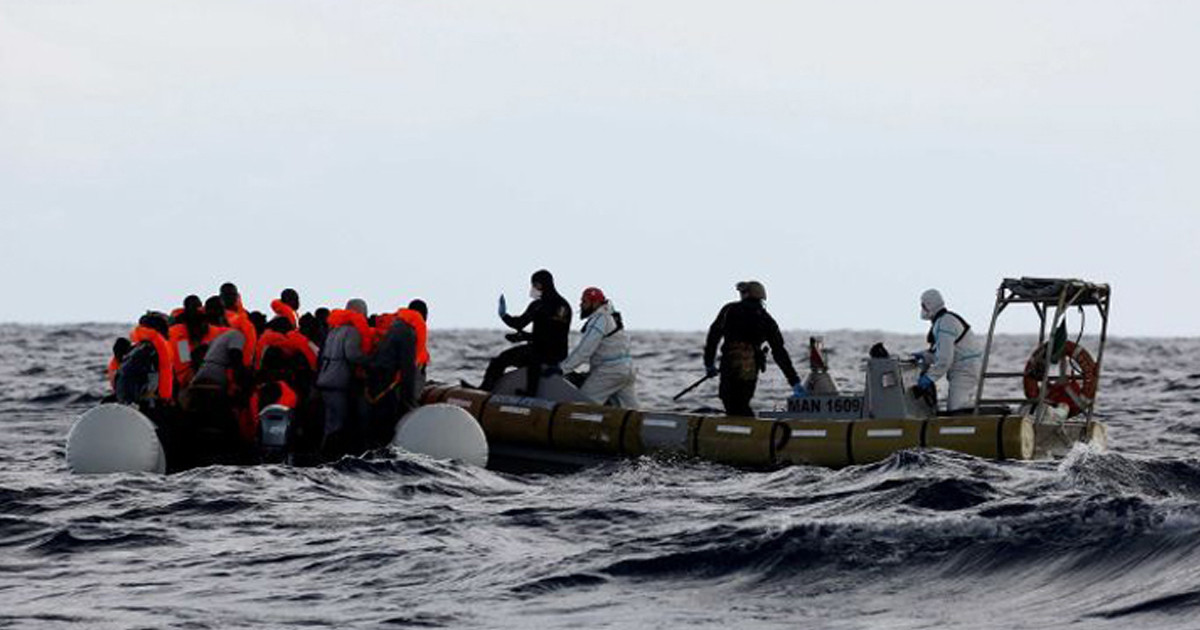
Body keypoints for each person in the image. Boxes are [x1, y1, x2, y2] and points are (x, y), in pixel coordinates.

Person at [703, 281, 805, 417]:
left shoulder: (730, 310)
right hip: (751, 368)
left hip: (731, 364)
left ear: (747, 294)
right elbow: (779, 352)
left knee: (730, 399)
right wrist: (794, 382)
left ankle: (744, 431)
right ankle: (748, 429)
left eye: (742, 293)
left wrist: (709, 363)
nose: (740, 296)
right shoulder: (767, 319)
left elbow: (713, 337)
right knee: (742, 401)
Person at [479, 269, 572, 396]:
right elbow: (522, 324)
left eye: (533, 285)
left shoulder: (550, 306)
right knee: (512, 357)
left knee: (518, 358)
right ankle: (493, 389)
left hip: (550, 353)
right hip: (550, 350)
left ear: (539, 285)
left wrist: (507, 319)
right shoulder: (556, 305)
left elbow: (550, 336)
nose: (532, 288)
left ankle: (527, 392)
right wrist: (510, 322)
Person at [560, 287, 638, 407]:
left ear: (595, 303)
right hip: (627, 370)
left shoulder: (600, 319)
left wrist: (562, 369)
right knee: (631, 412)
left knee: (582, 405)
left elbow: (584, 350)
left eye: (584, 302)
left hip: (610, 371)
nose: (581, 305)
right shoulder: (611, 316)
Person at [315, 299, 372, 457]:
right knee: (338, 424)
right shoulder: (352, 331)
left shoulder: (334, 329)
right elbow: (352, 355)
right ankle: (329, 457)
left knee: (329, 424)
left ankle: (322, 454)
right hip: (337, 383)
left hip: (325, 380)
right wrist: (371, 358)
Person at [912, 289, 983, 412]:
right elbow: (941, 352)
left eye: (923, 305)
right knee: (958, 405)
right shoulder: (944, 321)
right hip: (965, 369)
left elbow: (945, 359)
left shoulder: (946, 323)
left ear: (929, 305)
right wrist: (925, 356)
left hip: (964, 371)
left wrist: (929, 378)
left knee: (956, 409)